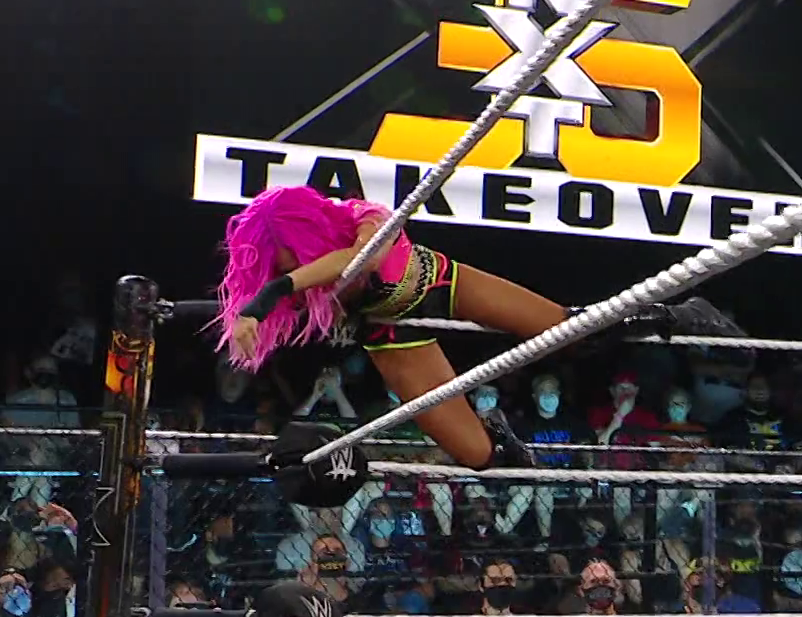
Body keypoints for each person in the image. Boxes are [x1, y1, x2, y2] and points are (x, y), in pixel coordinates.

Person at [214, 185, 666, 470]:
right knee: (480, 456)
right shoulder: (295, 276)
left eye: (287, 260)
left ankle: (667, 314)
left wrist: (271, 293)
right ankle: (498, 430)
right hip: (390, 334)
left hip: (438, 283)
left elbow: (361, 260)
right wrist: (252, 311)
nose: (286, 270)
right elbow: (290, 303)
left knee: (573, 333)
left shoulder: (362, 215)